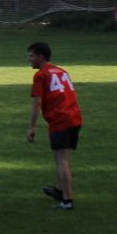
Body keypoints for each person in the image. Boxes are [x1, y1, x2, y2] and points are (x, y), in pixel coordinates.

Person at [27, 41, 82, 210]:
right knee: (62, 157)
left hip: (60, 119)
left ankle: (67, 200)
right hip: (75, 117)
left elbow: (37, 102)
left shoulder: (41, 75)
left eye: (31, 56)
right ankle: (60, 190)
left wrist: (32, 127)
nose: (29, 60)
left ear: (41, 56)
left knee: (61, 159)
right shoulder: (61, 70)